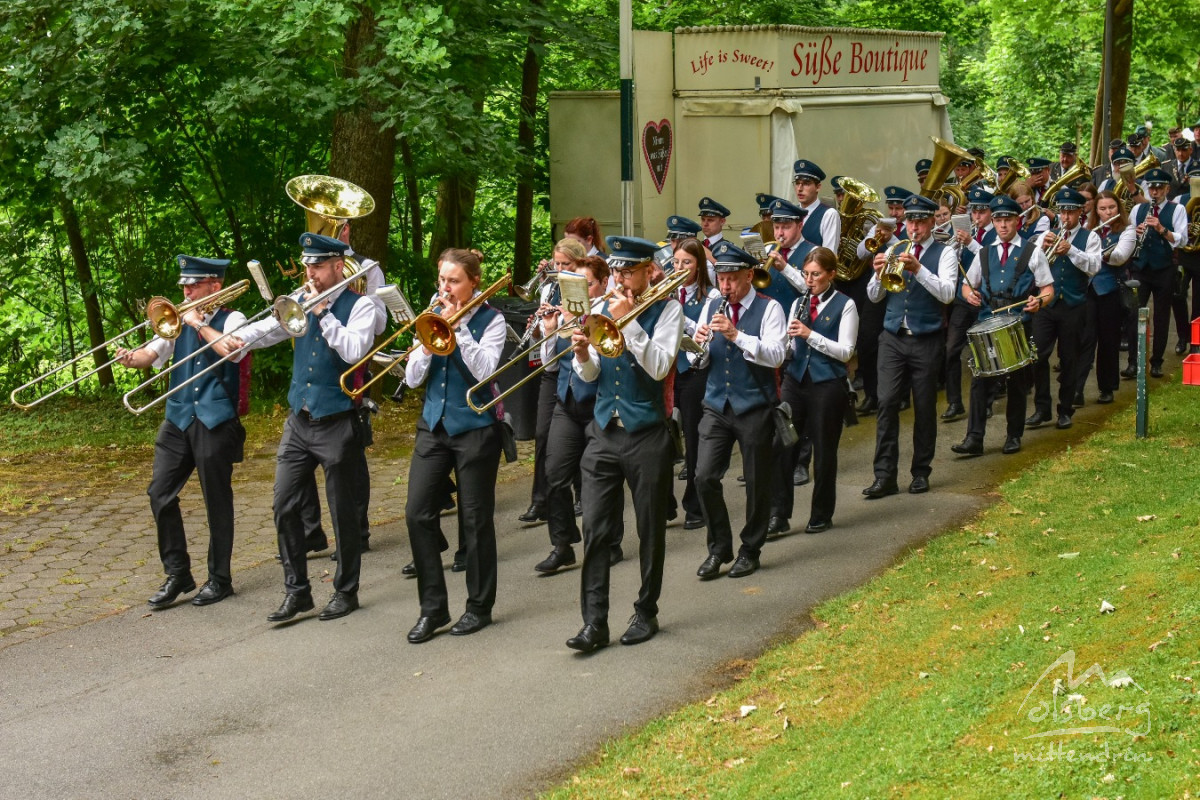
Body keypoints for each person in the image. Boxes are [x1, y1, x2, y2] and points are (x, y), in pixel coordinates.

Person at [230, 233, 382, 623]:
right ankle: (297, 591)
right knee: (283, 504)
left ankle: (346, 591)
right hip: (299, 419)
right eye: (307, 265)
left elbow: (353, 349)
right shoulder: (299, 300)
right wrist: (235, 340)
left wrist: (322, 313)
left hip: (337, 420)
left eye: (316, 265)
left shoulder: (361, 305)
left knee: (342, 512)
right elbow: (267, 330)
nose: (309, 272)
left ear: (337, 266)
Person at [565, 236, 683, 654]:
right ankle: (593, 622)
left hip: (646, 432)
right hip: (603, 432)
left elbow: (658, 368)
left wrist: (628, 321)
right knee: (595, 528)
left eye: (628, 271)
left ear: (650, 270)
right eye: (615, 271)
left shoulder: (669, 309)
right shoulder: (599, 308)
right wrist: (581, 356)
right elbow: (593, 376)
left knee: (649, 528)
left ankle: (645, 611)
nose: (619, 278)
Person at [116, 255, 248, 609]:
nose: (186, 291)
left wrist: (199, 323)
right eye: (184, 286)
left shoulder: (232, 318)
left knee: (216, 501)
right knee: (159, 492)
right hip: (177, 419)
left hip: (214, 419)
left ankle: (220, 579)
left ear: (215, 286)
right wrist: (132, 358)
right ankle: (178, 573)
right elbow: (152, 353)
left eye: (194, 285)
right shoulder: (176, 321)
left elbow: (230, 352)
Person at [401, 248, 506, 642]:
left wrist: (457, 328)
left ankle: (479, 606)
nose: (445, 288)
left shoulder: (491, 321)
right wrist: (426, 345)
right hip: (434, 424)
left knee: (475, 520)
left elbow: (485, 372)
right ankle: (433, 608)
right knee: (416, 513)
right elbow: (413, 379)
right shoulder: (429, 314)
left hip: (476, 426)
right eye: (442, 280)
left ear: (473, 282)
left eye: (454, 281)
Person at [690, 241, 787, 579]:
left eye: (731, 278)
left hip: (754, 405)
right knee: (703, 476)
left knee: (757, 482)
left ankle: (750, 549)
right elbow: (696, 359)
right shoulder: (713, 305)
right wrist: (698, 347)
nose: (725, 286)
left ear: (748, 275)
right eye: (720, 278)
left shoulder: (770, 308)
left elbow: (776, 355)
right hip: (716, 404)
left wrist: (737, 335)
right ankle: (718, 548)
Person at [862, 194, 956, 498]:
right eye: (910, 221)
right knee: (886, 402)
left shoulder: (945, 254)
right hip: (892, 337)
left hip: (926, 338)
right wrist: (878, 274)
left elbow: (947, 294)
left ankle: (920, 472)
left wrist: (918, 269)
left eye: (920, 221)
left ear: (931, 221)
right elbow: (875, 296)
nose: (914, 227)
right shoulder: (893, 248)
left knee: (925, 406)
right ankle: (884, 476)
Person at [950, 195, 1055, 456]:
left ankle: (1013, 435)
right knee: (980, 380)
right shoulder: (984, 253)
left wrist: (1038, 302)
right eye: (998, 220)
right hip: (987, 323)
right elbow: (967, 284)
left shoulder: (1032, 252)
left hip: (1019, 324)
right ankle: (974, 438)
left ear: (1017, 221)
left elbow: (1047, 288)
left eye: (1007, 219)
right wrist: (968, 294)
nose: (1003, 225)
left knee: (1017, 382)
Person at [534, 256, 612, 573]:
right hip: (566, 402)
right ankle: (562, 544)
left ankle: (611, 542)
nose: (577, 293)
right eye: (572, 286)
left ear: (603, 284)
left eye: (586, 285)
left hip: (599, 403)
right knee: (553, 474)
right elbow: (550, 366)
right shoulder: (565, 311)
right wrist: (552, 330)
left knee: (602, 478)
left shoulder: (610, 314)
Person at [777, 247, 858, 532]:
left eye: (816, 275)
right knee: (784, 445)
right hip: (795, 381)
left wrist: (810, 335)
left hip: (827, 384)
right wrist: (786, 345)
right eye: (806, 274)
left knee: (824, 451)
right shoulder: (798, 302)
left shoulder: (845, 304)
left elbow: (846, 352)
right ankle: (779, 514)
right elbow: (789, 346)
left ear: (831, 275)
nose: (810, 280)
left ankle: (821, 513)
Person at [518, 238, 587, 524]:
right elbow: (542, 342)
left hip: (581, 366)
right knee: (544, 434)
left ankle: (582, 492)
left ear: (579, 265)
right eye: (557, 264)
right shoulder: (549, 287)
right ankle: (541, 499)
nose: (559, 270)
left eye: (566, 265)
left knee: (582, 437)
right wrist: (540, 328)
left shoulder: (586, 288)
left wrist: (566, 319)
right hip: (554, 369)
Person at [1021, 188, 1101, 430]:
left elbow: (1094, 266)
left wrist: (1072, 250)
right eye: (1062, 212)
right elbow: (1029, 260)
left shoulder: (1090, 238)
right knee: (1038, 356)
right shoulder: (1047, 233)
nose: (1065, 217)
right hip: (1046, 304)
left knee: (1069, 359)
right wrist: (1038, 245)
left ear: (1080, 213)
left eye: (1070, 212)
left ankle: (1065, 410)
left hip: (1074, 306)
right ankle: (1042, 408)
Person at [671, 238, 720, 531]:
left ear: (699, 265)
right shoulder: (668, 292)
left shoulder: (711, 296)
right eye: (676, 262)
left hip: (691, 371)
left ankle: (695, 504)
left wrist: (676, 317)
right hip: (665, 369)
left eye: (687, 263)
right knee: (663, 436)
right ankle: (664, 503)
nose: (679, 268)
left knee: (692, 437)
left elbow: (700, 338)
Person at [1123, 168, 1190, 378]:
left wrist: (1161, 229)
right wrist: (1136, 233)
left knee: (1161, 317)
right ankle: (1133, 362)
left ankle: (1157, 362)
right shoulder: (1138, 210)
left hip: (1164, 269)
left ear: (1167, 189)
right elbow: (1129, 238)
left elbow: (1182, 239)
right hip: (1141, 268)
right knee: (1134, 315)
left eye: (1159, 187)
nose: (1155, 191)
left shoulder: (1177, 209)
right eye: (1152, 187)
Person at [851, 186, 909, 417]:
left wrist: (892, 238)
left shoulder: (910, 229)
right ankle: (872, 394)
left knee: (900, 342)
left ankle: (902, 395)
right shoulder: (878, 227)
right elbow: (859, 253)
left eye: (899, 208)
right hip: (876, 288)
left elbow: (906, 249)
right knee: (866, 340)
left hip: (902, 290)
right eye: (891, 207)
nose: (894, 213)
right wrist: (874, 237)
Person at [1076, 191, 1136, 404]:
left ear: (1118, 208)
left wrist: (1094, 252)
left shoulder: (1127, 230)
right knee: (1084, 340)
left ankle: (1107, 387)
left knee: (1108, 341)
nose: (1107, 212)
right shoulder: (1087, 229)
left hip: (1110, 291)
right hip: (1087, 291)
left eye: (1111, 208)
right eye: (1102, 209)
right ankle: (1077, 390)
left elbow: (1119, 257)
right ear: (1096, 211)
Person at [943, 186, 995, 421]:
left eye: (982, 212)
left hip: (987, 300)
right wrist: (953, 250)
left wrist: (972, 243)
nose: (977, 217)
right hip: (963, 299)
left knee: (986, 351)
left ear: (991, 213)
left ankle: (986, 401)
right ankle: (955, 402)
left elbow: (992, 259)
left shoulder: (997, 235)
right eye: (974, 212)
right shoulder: (966, 234)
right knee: (951, 349)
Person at [792, 159, 842, 250]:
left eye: (806, 184)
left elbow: (829, 255)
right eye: (797, 183)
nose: (799, 188)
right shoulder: (790, 212)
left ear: (818, 187)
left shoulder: (829, 214)